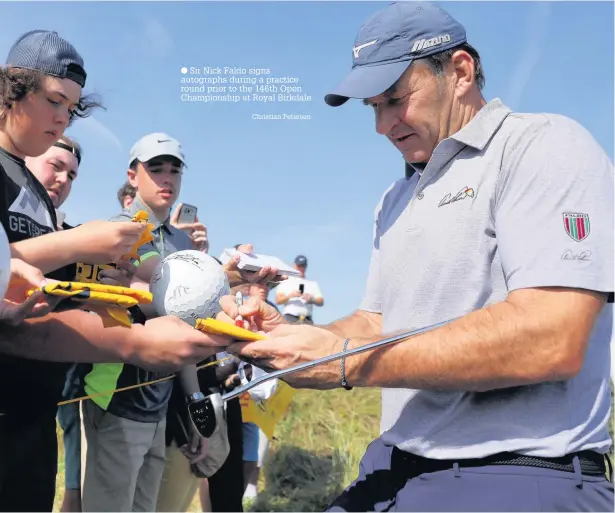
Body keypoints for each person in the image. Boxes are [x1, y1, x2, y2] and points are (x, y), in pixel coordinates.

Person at [215, 2, 614, 511]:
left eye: (396, 99)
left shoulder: (542, 148)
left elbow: (552, 337)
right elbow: (377, 321)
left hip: (516, 472)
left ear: (461, 71)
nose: (383, 125)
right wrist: (286, 338)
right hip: (394, 465)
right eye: (373, 108)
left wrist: (341, 363)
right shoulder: (395, 198)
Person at [0, 30, 230, 512]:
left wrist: (92, 284)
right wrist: (84, 245)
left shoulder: (34, 191)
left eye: (73, 109)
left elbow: (38, 299)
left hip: (32, 407)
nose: (63, 118)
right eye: (54, 101)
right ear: (12, 89)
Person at [26, 135, 85, 512]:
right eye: (56, 166)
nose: (63, 179)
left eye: (73, 175)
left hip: (42, 399)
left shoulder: (76, 238)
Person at [275, 255, 324, 324]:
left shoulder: (312, 284)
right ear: (294, 265)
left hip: (307, 320)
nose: (301, 268)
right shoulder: (286, 281)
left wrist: (311, 299)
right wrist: (291, 295)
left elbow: (321, 301)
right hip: (290, 318)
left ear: (306, 266)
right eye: (299, 266)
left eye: (303, 266)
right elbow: (278, 300)